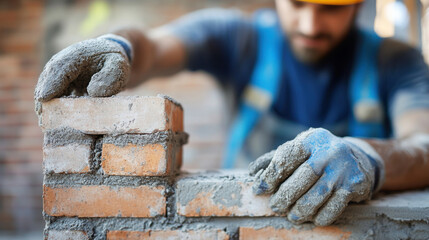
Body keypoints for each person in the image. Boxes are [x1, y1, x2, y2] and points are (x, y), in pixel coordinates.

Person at [35, 0, 429, 226]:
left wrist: (366, 157)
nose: (311, 23)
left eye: (330, 8)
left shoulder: (396, 61)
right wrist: (121, 46)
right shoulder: (236, 37)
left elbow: (423, 145)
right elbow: (154, 48)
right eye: (297, 4)